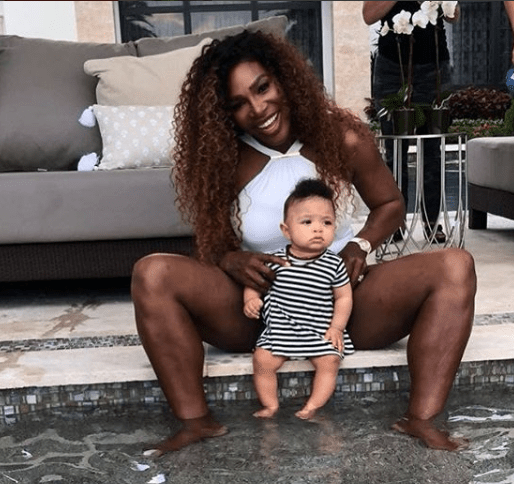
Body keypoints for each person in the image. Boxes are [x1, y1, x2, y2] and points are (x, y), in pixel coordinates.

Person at [131, 29, 476, 456]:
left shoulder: (342, 137)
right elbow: (212, 242)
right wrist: (229, 259)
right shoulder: (224, 158)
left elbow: (389, 204)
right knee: (153, 272)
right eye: (238, 104)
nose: (258, 109)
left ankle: (421, 420)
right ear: (224, 113)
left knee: (455, 266)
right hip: (262, 314)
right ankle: (196, 422)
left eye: (262, 88)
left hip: (343, 306)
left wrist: (360, 245)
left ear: (284, 78)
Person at [243, 178, 354, 420]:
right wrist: (250, 299)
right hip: (280, 330)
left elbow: (344, 296)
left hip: (319, 330)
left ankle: (312, 406)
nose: (318, 229)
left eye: (327, 222)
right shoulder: (275, 260)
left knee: (329, 361)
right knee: (262, 360)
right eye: (307, 222)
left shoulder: (333, 264)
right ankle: (270, 405)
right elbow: (254, 283)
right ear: (287, 230)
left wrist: (337, 327)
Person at [364, 1, 460, 243]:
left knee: (432, 149)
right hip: (392, 66)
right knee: (395, 150)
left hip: (433, 65)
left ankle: (432, 222)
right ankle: (394, 222)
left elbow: (454, 15)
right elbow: (369, 15)